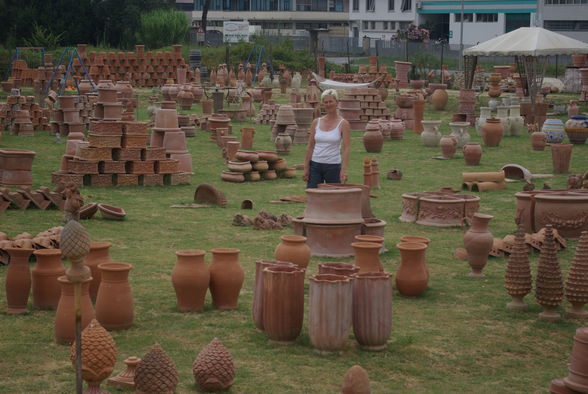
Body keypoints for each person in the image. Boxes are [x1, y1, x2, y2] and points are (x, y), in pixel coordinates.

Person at [303, 89, 351, 188]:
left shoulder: (343, 124)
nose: (328, 104)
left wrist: (343, 169)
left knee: (334, 198)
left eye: (331, 101)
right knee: (314, 196)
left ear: (337, 102)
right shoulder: (316, 122)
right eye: (325, 102)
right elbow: (310, 146)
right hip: (315, 165)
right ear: (322, 104)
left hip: (333, 165)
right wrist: (306, 167)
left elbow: (346, 148)